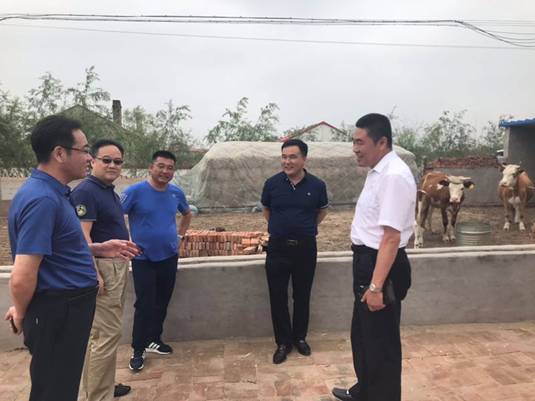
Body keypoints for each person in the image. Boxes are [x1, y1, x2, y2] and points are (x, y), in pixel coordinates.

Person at [4, 115, 139, 401]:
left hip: (66, 309)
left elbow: (57, 248)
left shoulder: (56, 193)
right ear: (59, 153)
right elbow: (23, 273)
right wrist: (22, 311)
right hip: (57, 310)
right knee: (54, 391)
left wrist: (99, 248)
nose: (89, 157)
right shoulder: (42, 200)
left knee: (61, 385)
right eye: (85, 150)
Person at [332, 113, 416, 401]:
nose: (355, 149)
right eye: (353, 142)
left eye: (360, 142)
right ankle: (365, 391)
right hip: (368, 261)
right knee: (364, 336)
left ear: (382, 142)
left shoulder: (393, 176)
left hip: (381, 264)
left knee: (381, 344)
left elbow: (391, 237)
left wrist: (376, 286)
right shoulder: (378, 171)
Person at [71, 139, 135, 400]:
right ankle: (98, 395)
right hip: (103, 269)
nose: (112, 165)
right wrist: (94, 273)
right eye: (106, 160)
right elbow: (82, 237)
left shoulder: (107, 191)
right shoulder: (86, 191)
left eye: (117, 161)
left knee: (103, 334)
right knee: (105, 335)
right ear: (92, 161)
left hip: (115, 267)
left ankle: (102, 387)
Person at [121, 150, 192, 372]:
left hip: (169, 256)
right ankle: (138, 349)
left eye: (170, 168)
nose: (165, 171)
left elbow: (187, 214)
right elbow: (116, 216)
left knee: (162, 301)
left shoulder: (175, 193)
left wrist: (179, 237)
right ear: (151, 167)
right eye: (161, 166)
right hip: (143, 258)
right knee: (144, 304)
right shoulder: (134, 192)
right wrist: (125, 243)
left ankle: (154, 339)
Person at [261, 139, 329, 364]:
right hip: (278, 248)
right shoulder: (272, 184)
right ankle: (283, 342)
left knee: (302, 295)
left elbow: (321, 212)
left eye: (292, 157)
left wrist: (304, 228)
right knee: (277, 296)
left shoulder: (317, 185)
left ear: (304, 159)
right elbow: (267, 210)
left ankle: (300, 338)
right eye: (284, 157)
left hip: (305, 249)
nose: (287, 161)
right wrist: (281, 228)